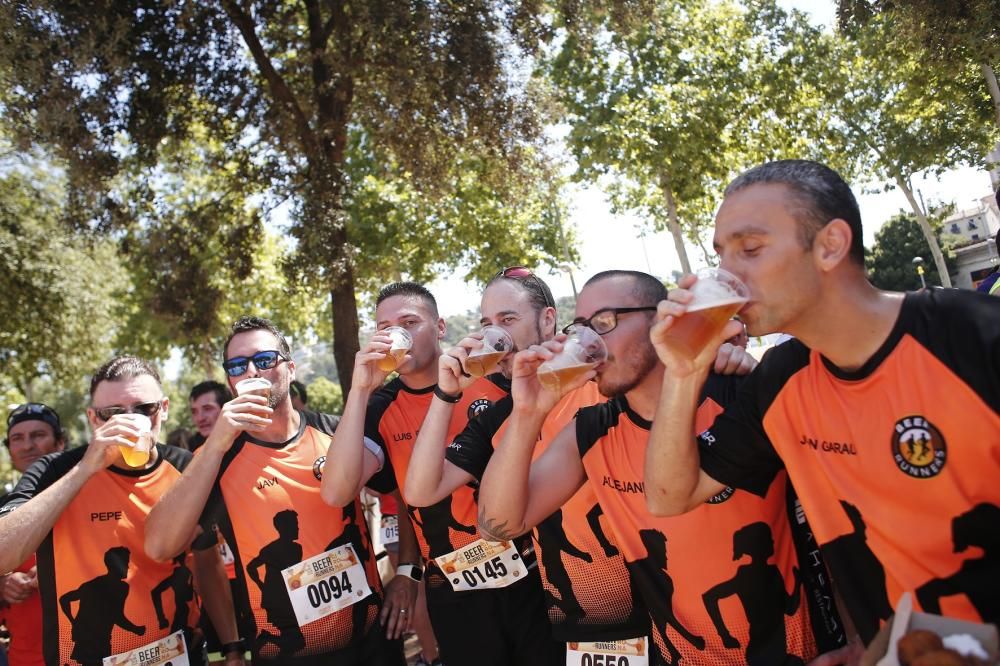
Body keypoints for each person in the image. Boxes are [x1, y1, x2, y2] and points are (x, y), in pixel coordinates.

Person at [644, 160, 1000, 653]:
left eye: (749, 250)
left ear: (830, 244)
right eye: (721, 256)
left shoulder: (974, 340)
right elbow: (668, 497)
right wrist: (683, 374)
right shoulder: (781, 380)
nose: (727, 276)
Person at [477, 270, 840, 665]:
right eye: (580, 328)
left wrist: (856, 641)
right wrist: (529, 412)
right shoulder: (593, 429)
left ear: (659, 321)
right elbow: (498, 525)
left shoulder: (738, 395)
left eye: (604, 323)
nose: (590, 342)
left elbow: (839, 524)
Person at [145, 316, 416, 665]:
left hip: (371, 641)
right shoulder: (216, 458)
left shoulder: (334, 432)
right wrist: (215, 444)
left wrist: (408, 570)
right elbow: (160, 545)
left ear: (290, 368)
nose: (252, 373)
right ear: (230, 380)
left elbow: (401, 493)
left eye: (264, 360)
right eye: (238, 365)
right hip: (284, 652)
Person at [322, 282, 556, 666]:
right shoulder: (381, 407)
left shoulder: (491, 374)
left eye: (410, 322)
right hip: (455, 586)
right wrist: (359, 391)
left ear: (440, 327)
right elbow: (336, 492)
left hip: (530, 571)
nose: (397, 334)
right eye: (385, 327)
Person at [0, 357, 242, 666]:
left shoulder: (188, 468)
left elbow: (207, 563)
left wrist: (233, 647)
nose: (130, 420)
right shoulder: (55, 470)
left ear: (164, 408)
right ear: (93, 419)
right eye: (113, 413)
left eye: (144, 409)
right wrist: (86, 468)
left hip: (177, 654)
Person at [0, 403, 66, 666]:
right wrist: (2, 585)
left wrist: (65, 570)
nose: (27, 445)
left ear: (60, 443)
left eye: (38, 435)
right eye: (17, 438)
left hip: (99, 653)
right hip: (27, 659)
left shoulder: (92, 497)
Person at [188, 381, 232, 452]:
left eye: (207, 409)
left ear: (226, 408)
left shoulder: (250, 439)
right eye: (194, 411)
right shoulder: (191, 453)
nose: (200, 418)